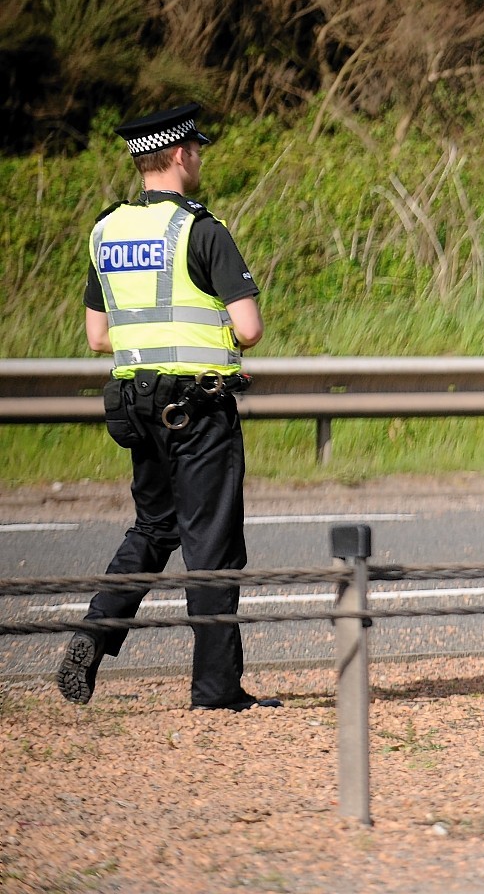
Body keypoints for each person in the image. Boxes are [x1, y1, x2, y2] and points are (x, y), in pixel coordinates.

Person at [56, 103, 279, 712]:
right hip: (198, 410)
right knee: (212, 546)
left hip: (136, 404)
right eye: (197, 151)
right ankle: (215, 691)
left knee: (155, 528)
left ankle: (96, 631)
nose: (199, 159)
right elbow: (250, 326)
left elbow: (98, 337)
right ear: (180, 155)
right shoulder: (201, 229)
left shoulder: (107, 230)